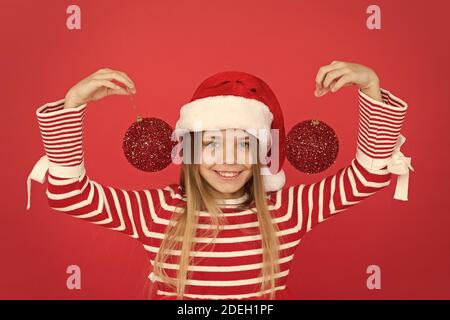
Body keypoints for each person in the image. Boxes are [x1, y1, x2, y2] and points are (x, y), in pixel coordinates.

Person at [26, 61, 413, 300]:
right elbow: (68, 193)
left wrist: (371, 88)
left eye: (244, 143)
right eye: (211, 143)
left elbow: (368, 175)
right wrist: (72, 104)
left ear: (264, 153)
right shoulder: (157, 210)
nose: (228, 159)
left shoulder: (287, 210)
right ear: (188, 149)